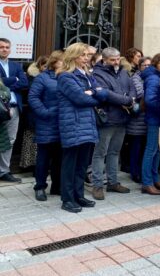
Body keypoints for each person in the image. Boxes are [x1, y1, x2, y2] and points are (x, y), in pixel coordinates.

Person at [57, 43, 108, 213]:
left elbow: (101, 92)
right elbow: (80, 99)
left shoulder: (86, 75)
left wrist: (92, 93)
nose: (87, 58)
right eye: (83, 55)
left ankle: (79, 195)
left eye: (88, 55)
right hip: (73, 124)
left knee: (81, 164)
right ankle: (67, 199)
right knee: (70, 165)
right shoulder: (66, 76)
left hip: (87, 124)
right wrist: (94, 95)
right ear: (73, 57)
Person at [91, 47, 136, 200]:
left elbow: (132, 89)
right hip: (107, 119)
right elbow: (105, 94)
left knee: (115, 152)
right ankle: (97, 185)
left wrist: (130, 100)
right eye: (113, 60)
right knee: (100, 154)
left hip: (122, 117)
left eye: (118, 59)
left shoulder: (123, 71)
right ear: (104, 60)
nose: (116, 62)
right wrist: (126, 100)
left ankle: (113, 182)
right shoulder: (97, 73)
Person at [28, 51, 63, 201]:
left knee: (59, 157)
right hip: (47, 123)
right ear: (55, 62)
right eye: (62, 61)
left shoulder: (67, 76)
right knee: (43, 157)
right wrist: (45, 112)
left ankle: (57, 186)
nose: (65, 63)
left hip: (63, 124)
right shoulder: (42, 78)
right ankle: (40, 186)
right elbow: (33, 97)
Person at [0, 38, 29, 183]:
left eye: (6, 47)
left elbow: (24, 83)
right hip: (0, 108)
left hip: (13, 108)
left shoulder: (16, 65)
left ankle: (4, 171)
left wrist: (4, 84)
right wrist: (13, 80)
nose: (4, 49)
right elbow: (16, 81)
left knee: (10, 140)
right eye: (1, 47)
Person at [140, 53, 160, 195]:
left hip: (159, 118)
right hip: (154, 118)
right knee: (151, 150)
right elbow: (150, 100)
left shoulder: (159, 76)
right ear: (156, 64)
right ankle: (146, 182)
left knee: (157, 150)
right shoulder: (153, 78)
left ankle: (154, 178)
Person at [126, 59, 147, 183]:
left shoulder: (152, 77)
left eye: (150, 65)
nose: (147, 67)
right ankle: (135, 172)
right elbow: (140, 93)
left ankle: (141, 171)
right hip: (137, 120)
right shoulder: (135, 78)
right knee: (136, 147)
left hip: (147, 119)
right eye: (145, 65)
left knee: (144, 147)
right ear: (139, 66)